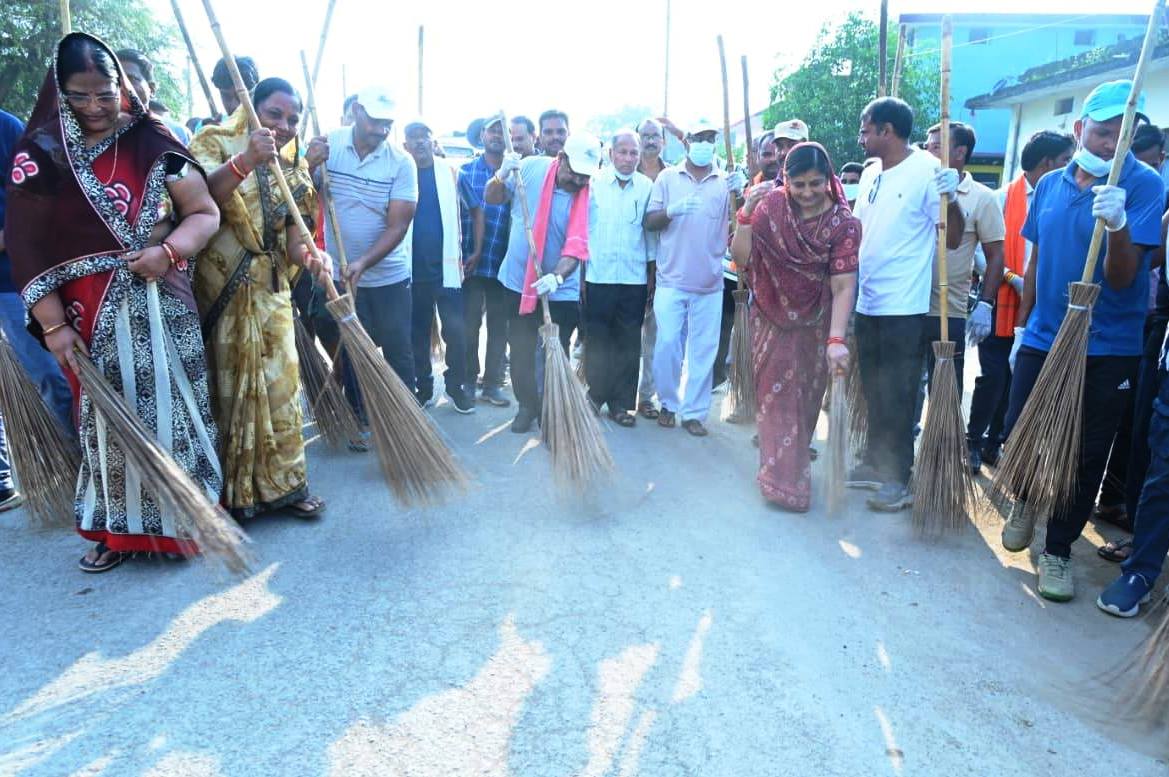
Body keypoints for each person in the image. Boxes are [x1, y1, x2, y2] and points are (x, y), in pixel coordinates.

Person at [6, 33, 222, 571]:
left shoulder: (153, 141)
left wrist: (168, 251)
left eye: (106, 93)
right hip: (84, 314)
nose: (96, 107)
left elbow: (204, 212)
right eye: (81, 96)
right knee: (103, 422)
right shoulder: (42, 156)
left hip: (160, 297)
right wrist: (53, 326)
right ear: (60, 93)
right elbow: (28, 245)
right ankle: (116, 533)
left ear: (121, 87)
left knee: (171, 414)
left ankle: (182, 525)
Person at [999, 81, 1164, 603]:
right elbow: (1036, 262)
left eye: (1122, 135)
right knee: (1019, 427)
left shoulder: (1145, 187)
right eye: (1101, 132)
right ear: (1079, 129)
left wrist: (1116, 223)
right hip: (1044, 336)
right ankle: (1025, 496)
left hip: (1106, 344)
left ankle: (1059, 549)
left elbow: (1122, 277)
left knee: (1085, 453)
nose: (1110, 144)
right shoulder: (1047, 186)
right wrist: (1022, 328)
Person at [190, 77, 333, 521]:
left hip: (272, 295)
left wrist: (314, 257)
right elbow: (196, 201)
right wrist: (246, 160)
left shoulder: (293, 169)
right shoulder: (212, 141)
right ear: (250, 108)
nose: (286, 126)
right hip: (221, 291)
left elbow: (294, 243)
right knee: (228, 390)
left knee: (281, 389)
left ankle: (287, 487)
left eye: (293, 119)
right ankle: (230, 493)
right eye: (274, 114)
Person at [846, 97, 962, 512]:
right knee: (873, 390)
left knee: (898, 392)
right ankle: (875, 464)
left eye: (865, 130)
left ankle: (900, 477)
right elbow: (858, 229)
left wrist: (954, 199)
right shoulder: (873, 173)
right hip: (869, 300)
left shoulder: (928, 172)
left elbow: (950, 236)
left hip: (904, 306)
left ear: (887, 131)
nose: (861, 138)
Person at [731, 143, 859, 510]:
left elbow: (843, 284)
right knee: (774, 400)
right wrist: (745, 215)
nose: (805, 193)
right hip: (769, 320)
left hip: (817, 326)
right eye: (797, 184)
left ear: (828, 180)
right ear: (784, 179)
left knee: (804, 402)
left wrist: (837, 339)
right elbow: (741, 260)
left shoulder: (843, 224)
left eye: (814, 184)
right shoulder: (769, 207)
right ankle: (781, 482)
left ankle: (791, 471)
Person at [966, 131, 1074, 472]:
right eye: (1064, 161)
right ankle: (972, 441)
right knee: (994, 376)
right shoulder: (1000, 198)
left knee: (1018, 381)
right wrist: (1013, 279)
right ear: (1047, 163)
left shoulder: (1064, 198)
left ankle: (995, 443)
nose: (1069, 168)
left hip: (1041, 308)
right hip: (1000, 303)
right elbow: (983, 255)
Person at [485, 132, 602, 433]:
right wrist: (501, 175)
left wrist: (557, 276)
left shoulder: (591, 200)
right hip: (517, 282)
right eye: (573, 173)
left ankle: (552, 408)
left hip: (559, 289)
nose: (578, 182)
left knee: (554, 351)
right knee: (521, 349)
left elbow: (577, 249)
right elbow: (491, 197)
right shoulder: (532, 168)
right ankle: (527, 406)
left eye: (584, 178)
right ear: (561, 158)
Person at [643, 120, 747, 437]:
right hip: (671, 280)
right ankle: (669, 404)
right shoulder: (667, 177)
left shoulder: (725, 181)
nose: (703, 143)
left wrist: (741, 194)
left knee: (703, 351)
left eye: (709, 138)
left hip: (710, 283)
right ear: (686, 141)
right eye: (698, 138)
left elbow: (741, 222)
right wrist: (672, 211)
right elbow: (650, 221)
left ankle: (694, 413)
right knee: (667, 346)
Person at [323, 87, 419, 395]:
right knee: (352, 347)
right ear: (356, 111)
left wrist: (363, 262)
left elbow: (398, 227)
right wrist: (309, 164)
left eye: (388, 123)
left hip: (389, 276)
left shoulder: (402, 163)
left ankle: (406, 414)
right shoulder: (329, 144)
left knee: (397, 348)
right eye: (375, 121)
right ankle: (360, 414)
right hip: (341, 274)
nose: (382, 129)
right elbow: (301, 190)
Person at [922, 121, 1006, 400]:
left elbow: (995, 256)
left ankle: (944, 442)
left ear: (959, 152)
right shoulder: (917, 187)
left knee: (944, 390)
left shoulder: (983, 197)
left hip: (947, 310)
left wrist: (985, 303)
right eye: (926, 146)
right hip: (908, 303)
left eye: (935, 147)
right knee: (904, 386)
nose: (927, 152)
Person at [584, 129, 657, 427]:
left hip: (633, 277)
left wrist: (651, 274)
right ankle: (595, 396)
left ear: (639, 156)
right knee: (598, 338)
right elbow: (584, 230)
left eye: (633, 153)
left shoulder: (646, 187)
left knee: (628, 342)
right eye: (623, 152)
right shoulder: (594, 183)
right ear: (611, 153)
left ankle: (621, 404)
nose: (628, 158)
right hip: (598, 274)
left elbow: (650, 235)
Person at [402, 120, 474, 413]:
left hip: (447, 270)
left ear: (433, 142)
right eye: (413, 138)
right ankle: (424, 387)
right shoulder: (400, 173)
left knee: (456, 331)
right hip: (412, 270)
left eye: (424, 137)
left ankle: (456, 386)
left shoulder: (451, 173)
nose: (419, 143)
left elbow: (477, 208)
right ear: (405, 145)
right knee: (417, 332)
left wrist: (476, 251)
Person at [459, 116, 512, 407]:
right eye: (492, 130)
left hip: (503, 262)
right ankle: (468, 378)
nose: (496, 135)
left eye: (501, 130)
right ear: (482, 135)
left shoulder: (516, 172)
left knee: (499, 327)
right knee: (468, 324)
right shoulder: (465, 172)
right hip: (472, 260)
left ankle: (492, 383)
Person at [635, 118, 668, 420]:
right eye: (644, 135)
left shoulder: (673, 176)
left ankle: (647, 397)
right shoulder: (624, 172)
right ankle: (617, 392)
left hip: (665, 266)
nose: (649, 140)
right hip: (629, 265)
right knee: (627, 334)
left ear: (663, 141)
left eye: (655, 135)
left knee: (654, 337)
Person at [115, 49, 190, 144]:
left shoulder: (177, 132)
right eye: (114, 81)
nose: (121, 87)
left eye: (130, 79)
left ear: (151, 88)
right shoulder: (98, 134)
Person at [768, 119, 809, 183]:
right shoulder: (768, 190)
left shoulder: (822, 182)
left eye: (791, 145)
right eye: (779, 146)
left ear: (806, 145)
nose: (783, 152)